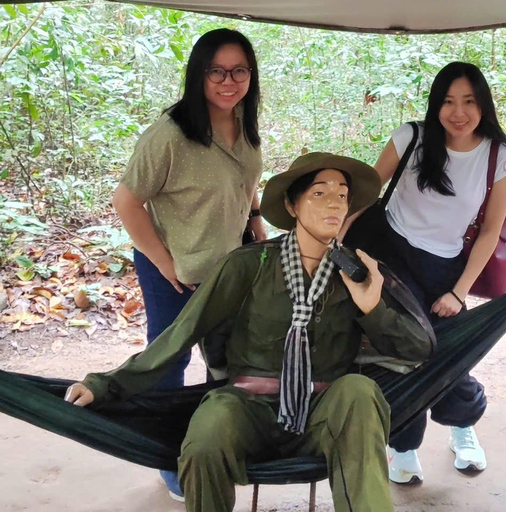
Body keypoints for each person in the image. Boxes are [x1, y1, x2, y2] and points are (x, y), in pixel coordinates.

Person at [64, 153, 435, 512]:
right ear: (292, 205)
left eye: (342, 195)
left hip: (326, 415)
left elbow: (416, 350)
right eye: (320, 193)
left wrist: (372, 306)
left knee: (359, 391)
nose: (334, 204)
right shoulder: (248, 264)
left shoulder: (356, 271)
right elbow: (182, 333)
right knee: (207, 432)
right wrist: (105, 384)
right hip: (248, 409)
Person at [344, 61, 506, 483]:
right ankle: (403, 445)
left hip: (446, 265)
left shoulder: (498, 155)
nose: (458, 112)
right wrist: (332, 244)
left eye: (469, 102)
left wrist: (458, 291)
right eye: (448, 102)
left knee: (448, 351)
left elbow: (491, 230)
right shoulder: (412, 137)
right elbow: (365, 195)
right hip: (390, 255)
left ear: (483, 106)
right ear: (435, 105)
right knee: (400, 351)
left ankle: (463, 428)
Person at [111, 28, 265, 498]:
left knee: (225, 360)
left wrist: (255, 219)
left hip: (230, 266)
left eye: (239, 70)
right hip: (174, 272)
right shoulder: (170, 134)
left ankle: (213, 442)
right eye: (216, 70)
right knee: (168, 361)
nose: (228, 80)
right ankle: (169, 457)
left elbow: (245, 180)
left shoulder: (242, 120)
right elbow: (126, 201)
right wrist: (164, 262)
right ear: (198, 74)